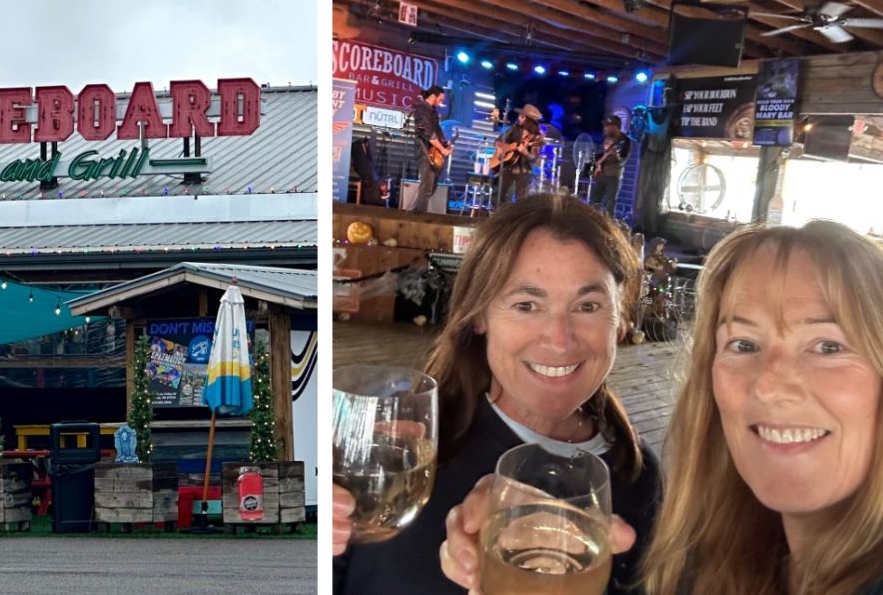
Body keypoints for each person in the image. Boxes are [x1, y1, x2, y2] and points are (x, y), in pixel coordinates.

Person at [443, 221, 883, 595]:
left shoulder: (641, 478)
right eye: (743, 344)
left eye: (828, 346)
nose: (769, 385)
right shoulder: (711, 556)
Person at [333, 194, 663, 594]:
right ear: (478, 318)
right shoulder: (400, 451)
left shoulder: (639, 476)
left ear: (621, 323)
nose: (559, 340)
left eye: (588, 306)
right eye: (526, 305)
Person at [409, 85, 452, 213]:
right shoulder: (422, 108)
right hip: (425, 150)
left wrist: (445, 143)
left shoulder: (433, 111)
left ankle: (417, 211)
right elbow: (427, 132)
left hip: (434, 151)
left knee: (432, 186)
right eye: (441, 98)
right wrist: (442, 149)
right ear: (433, 96)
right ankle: (419, 216)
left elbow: (436, 131)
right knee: (427, 185)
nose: (441, 101)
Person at [493, 103, 543, 207]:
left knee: (521, 200)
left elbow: (534, 158)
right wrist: (499, 150)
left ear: (529, 121)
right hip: (508, 166)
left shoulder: (537, 137)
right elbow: (498, 141)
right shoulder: (515, 129)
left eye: (522, 117)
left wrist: (525, 152)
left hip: (524, 170)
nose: (519, 118)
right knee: (499, 194)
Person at [590, 115, 632, 219]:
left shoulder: (625, 140)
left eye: (608, 126)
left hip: (613, 177)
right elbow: (598, 155)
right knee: (594, 201)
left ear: (615, 127)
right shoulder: (605, 138)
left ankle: (608, 227)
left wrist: (615, 155)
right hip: (600, 175)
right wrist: (595, 166)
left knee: (609, 204)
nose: (605, 128)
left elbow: (623, 160)